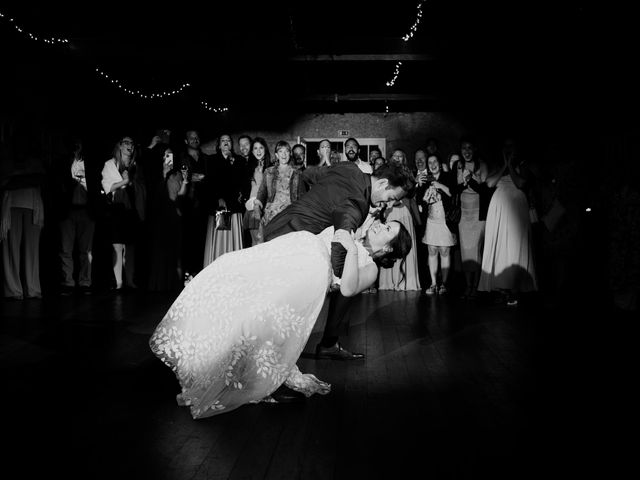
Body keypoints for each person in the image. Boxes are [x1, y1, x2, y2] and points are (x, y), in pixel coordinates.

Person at [149, 216, 411, 418]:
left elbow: (349, 288)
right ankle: (207, 364)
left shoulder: (371, 267)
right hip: (283, 261)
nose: (381, 226)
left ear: (388, 249)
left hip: (298, 284)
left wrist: (352, 249)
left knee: (257, 325)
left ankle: (238, 381)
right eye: (385, 223)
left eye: (388, 230)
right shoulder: (352, 223)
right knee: (228, 271)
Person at [264, 161, 415, 364]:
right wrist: (338, 275)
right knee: (275, 310)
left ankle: (327, 344)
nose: (388, 205)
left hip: (280, 224)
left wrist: (311, 201)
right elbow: (339, 249)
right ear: (383, 184)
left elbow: (308, 174)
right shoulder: (356, 205)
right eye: (391, 198)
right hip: (289, 244)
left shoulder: (347, 168)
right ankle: (268, 366)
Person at [478, 137, 537, 305]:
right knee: (500, 246)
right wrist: (504, 164)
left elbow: (520, 183)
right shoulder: (497, 165)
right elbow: (489, 184)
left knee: (515, 245)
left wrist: (511, 165)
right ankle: (501, 288)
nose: (508, 149)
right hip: (499, 206)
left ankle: (515, 289)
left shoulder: (523, 165)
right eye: (506, 146)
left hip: (516, 206)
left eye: (511, 146)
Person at [253, 141, 302, 244]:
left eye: (286, 151)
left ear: (290, 154)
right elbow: (262, 191)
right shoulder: (269, 171)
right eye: (281, 151)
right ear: (276, 155)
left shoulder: (297, 173)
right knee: (270, 245)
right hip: (271, 214)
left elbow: (302, 195)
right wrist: (257, 207)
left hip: (289, 214)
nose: (284, 154)